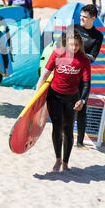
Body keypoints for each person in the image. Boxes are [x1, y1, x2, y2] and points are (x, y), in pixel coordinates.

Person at [36, 29, 91, 172]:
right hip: (54, 96)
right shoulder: (57, 54)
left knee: (68, 130)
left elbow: (86, 83)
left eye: (77, 45)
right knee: (57, 126)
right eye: (72, 44)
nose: (74, 48)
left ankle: (66, 162)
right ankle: (57, 159)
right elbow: (45, 74)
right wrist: (36, 94)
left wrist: (83, 100)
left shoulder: (83, 60)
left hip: (72, 99)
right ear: (66, 43)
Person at [57, 4, 103, 148]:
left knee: (81, 108)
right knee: (64, 107)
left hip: (83, 75)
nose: (82, 19)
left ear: (93, 18)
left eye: (85, 17)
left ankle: (80, 142)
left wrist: (78, 54)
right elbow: (59, 45)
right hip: (67, 72)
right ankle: (63, 135)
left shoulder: (98, 36)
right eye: (81, 16)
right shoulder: (72, 28)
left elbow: (93, 57)